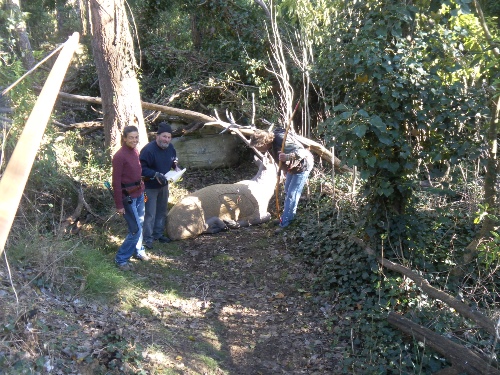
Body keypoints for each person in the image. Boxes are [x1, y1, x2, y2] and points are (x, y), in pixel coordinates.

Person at [250, 128, 314, 232]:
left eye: (258, 146)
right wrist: (284, 168)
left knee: (292, 194)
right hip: (292, 167)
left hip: (303, 165)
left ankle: (286, 223)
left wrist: (288, 157)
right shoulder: (270, 146)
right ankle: (285, 217)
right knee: (287, 190)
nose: (258, 149)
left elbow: (303, 152)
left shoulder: (280, 140)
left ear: (264, 142)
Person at [112, 125, 149, 271]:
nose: (134, 140)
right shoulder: (119, 156)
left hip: (139, 194)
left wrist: (143, 190)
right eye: (131, 137)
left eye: (136, 137)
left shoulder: (135, 151)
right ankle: (121, 259)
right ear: (125, 138)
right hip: (128, 198)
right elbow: (116, 182)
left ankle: (139, 251)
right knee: (135, 229)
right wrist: (119, 205)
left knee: (140, 223)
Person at [140, 122, 181, 249]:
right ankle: (147, 238)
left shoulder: (170, 148)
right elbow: (141, 168)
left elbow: (173, 160)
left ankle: (158, 234)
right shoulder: (148, 150)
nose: (166, 140)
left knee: (162, 210)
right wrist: (155, 174)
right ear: (157, 136)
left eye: (169, 137)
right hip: (149, 186)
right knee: (150, 213)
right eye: (164, 136)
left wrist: (176, 167)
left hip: (164, 185)